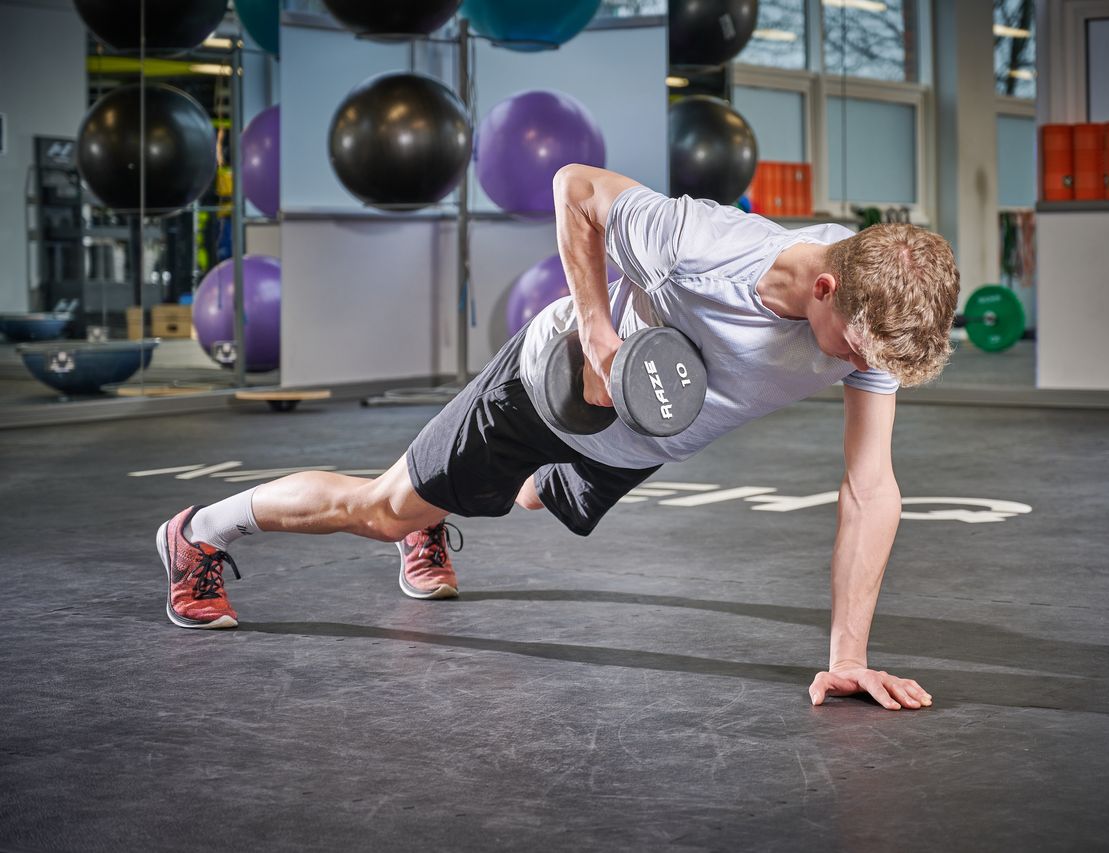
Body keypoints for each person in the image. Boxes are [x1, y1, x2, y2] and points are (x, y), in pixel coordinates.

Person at [157, 164, 959, 712]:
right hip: (552, 392)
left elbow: (870, 485)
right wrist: (600, 331)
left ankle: (438, 515)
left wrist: (847, 657)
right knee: (382, 508)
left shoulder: (872, 305)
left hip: (644, 437)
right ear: (825, 288)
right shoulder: (707, 247)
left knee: (524, 496)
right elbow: (574, 187)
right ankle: (196, 534)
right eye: (854, 349)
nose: (860, 368)